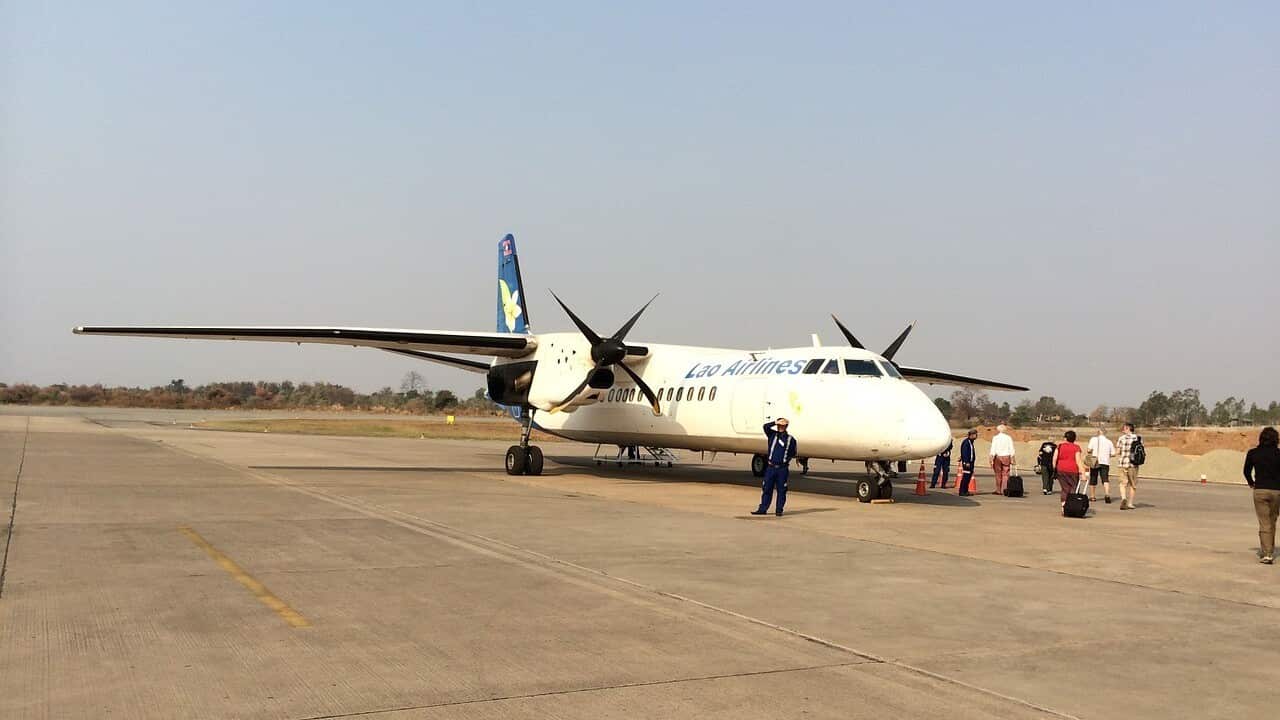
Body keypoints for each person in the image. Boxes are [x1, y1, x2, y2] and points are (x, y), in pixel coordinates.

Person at [1243, 426, 1280, 564]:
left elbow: (1246, 470)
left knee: (1264, 522)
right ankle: (1270, 548)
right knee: (1272, 521)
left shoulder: (1253, 453)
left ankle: (1267, 553)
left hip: (1260, 490)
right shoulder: (1279, 453)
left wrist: (1251, 482)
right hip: (1277, 491)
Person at [752, 418, 797, 516]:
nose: (780, 427)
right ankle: (763, 508)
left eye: (782, 425)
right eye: (779, 425)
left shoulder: (790, 439)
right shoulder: (772, 435)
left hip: (782, 468)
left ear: (786, 426)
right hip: (771, 467)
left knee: (782, 490)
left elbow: (793, 452)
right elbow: (765, 427)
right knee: (767, 488)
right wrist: (775, 422)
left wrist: (784, 460)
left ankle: (779, 510)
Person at [1052, 430, 1085, 509]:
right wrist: (1083, 473)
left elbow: (1054, 459)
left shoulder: (1059, 446)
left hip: (1061, 469)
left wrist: (1054, 468)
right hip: (1073, 470)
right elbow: (1078, 461)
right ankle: (1071, 505)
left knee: (1065, 489)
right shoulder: (1076, 448)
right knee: (1074, 488)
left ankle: (1064, 505)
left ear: (1065, 438)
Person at [1114, 423, 1140, 510]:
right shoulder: (1137, 438)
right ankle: (1130, 503)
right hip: (1133, 464)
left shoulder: (1121, 438)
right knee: (1133, 484)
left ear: (1128, 428)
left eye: (1124, 428)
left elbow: (1117, 451)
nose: (1123, 429)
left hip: (1122, 463)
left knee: (1122, 483)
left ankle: (1123, 498)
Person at [1087, 427, 1115, 504]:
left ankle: (1092, 496)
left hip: (1095, 461)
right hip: (1105, 462)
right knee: (1105, 478)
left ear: (1098, 432)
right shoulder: (1109, 442)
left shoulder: (1093, 439)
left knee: (1093, 477)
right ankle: (1107, 494)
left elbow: (1088, 450)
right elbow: (1113, 454)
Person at [989, 424, 1016, 495]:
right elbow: (1011, 448)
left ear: (998, 430)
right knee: (1006, 474)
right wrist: (1013, 458)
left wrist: (991, 458)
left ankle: (998, 490)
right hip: (1007, 457)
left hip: (997, 457)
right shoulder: (1008, 438)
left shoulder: (995, 438)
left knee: (998, 474)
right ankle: (1005, 489)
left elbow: (993, 449)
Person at [958, 429, 978, 496]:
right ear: (971, 435)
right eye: (975, 434)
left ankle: (966, 491)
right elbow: (964, 452)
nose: (976, 436)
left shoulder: (971, 442)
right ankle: (962, 491)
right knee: (965, 477)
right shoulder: (966, 442)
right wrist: (966, 462)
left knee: (968, 477)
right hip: (967, 463)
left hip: (971, 462)